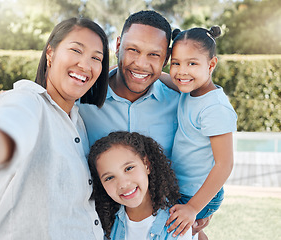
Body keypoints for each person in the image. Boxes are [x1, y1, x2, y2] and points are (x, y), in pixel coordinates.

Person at [0, 17, 109, 239]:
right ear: (50, 53)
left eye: (96, 58)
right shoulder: (28, 100)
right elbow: (12, 122)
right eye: (76, 50)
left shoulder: (78, 121)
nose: (85, 65)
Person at [78, 10, 211, 239]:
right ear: (118, 45)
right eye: (133, 50)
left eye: (153, 55)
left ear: (167, 59)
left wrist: (201, 206)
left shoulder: (181, 104)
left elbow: (206, 154)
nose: (141, 64)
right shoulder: (83, 99)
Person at [163, 26, 237, 238]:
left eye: (192, 63)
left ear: (211, 64)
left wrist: (193, 208)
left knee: (175, 231)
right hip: (184, 189)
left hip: (196, 194)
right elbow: (167, 79)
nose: (181, 71)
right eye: (175, 63)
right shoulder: (191, 89)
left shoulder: (215, 108)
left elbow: (225, 164)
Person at [88, 131, 192, 240]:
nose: (123, 184)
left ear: (147, 165)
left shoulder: (178, 224)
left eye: (129, 168)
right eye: (109, 178)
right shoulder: (104, 225)